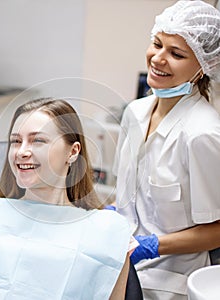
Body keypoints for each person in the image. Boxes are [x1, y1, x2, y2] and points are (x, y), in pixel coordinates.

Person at [0, 98, 132, 300]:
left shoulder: (108, 234)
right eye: (16, 141)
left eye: (37, 140)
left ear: (73, 152)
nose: (22, 152)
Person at [113, 1, 220, 299]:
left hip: (171, 283)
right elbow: (132, 198)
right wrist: (113, 213)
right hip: (122, 268)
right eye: (157, 44)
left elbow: (217, 230)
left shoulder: (203, 134)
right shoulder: (134, 113)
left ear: (203, 67)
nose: (158, 59)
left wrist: (152, 245)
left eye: (176, 54)